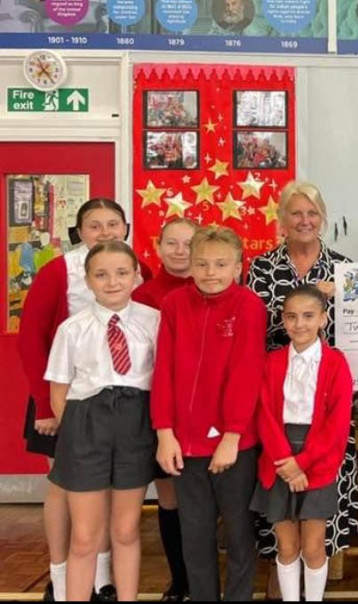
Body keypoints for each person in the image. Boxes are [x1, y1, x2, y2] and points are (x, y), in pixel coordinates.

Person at [18, 197, 149, 602]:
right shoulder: (60, 275)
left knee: (124, 524)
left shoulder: (147, 302)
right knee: (75, 510)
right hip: (75, 409)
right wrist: (52, 411)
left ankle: (106, 583)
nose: (105, 232)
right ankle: (62, 582)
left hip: (133, 417)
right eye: (95, 225)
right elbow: (34, 345)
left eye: (113, 224)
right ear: (80, 232)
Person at [247, 181, 358, 600]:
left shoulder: (343, 269)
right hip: (276, 403)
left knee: (314, 533)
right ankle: (281, 590)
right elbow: (254, 331)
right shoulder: (261, 268)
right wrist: (285, 460)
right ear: (282, 220)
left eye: (312, 213)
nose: (304, 220)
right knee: (285, 537)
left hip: (323, 412)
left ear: (323, 218)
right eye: (295, 213)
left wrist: (338, 297)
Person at [152, 226, 266, 601]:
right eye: (202, 263)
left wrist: (232, 436)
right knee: (194, 534)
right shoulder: (173, 305)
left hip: (234, 445)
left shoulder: (249, 306)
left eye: (220, 264)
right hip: (185, 444)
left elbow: (246, 374)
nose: (211, 272)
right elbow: (163, 371)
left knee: (237, 534)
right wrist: (165, 433)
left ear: (238, 266)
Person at [46, 241, 160, 602]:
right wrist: (76, 438)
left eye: (122, 273)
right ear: (88, 280)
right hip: (85, 423)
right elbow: (60, 391)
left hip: (135, 421)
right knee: (84, 535)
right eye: (101, 275)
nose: (112, 282)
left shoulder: (153, 321)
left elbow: (163, 378)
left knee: (125, 529)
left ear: (136, 276)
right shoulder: (72, 328)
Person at [253, 285, 354, 602]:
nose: (300, 324)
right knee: (286, 546)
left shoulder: (336, 363)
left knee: (312, 547)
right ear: (282, 320)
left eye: (309, 316)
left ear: (323, 318)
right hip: (278, 457)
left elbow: (336, 425)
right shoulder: (271, 362)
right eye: (292, 316)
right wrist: (286, 462)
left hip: (318, 460)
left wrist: (303, 461)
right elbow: (265, 415)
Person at [131, 218, 197, 602]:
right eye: (171, 243)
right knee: (170, 497)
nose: (179, 251)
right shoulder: (142, 296)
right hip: (161, 409)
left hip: (205, 412)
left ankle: (207, 577)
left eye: (187, 243)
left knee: (206, 501)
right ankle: (181, 581)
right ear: (157, 247)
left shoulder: (214, 286)